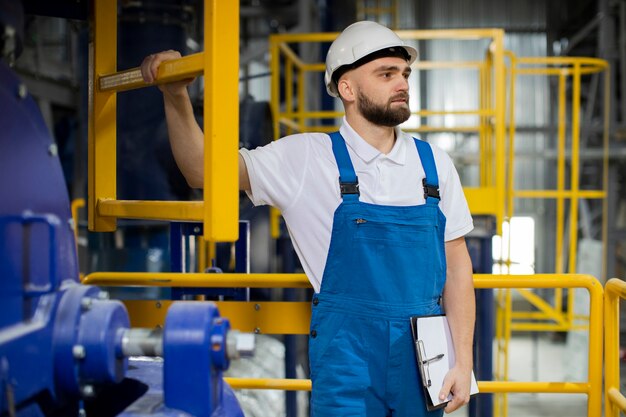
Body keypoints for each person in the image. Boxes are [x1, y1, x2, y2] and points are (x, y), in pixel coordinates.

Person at [141, 20, 475, 417]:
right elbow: (203, 173)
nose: (402, 83)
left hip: (425, 360)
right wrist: (176, 96)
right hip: (348, 362)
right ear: (347, 88)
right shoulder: (305, 159)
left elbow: (457, 266)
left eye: (404, 74)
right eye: (386, 74)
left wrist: (463, 361)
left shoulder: (434, 166)